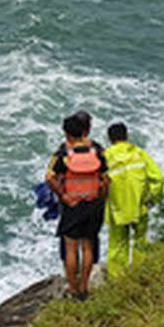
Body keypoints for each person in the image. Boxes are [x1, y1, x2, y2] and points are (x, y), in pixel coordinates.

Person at [45, 113, 108, 300]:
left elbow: (49, 178)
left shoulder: (63, 154)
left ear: (67, 133)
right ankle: (84, 287)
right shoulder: (97, 150)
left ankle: (73, 289)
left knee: (71, 247)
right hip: (93, 203)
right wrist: (101, 199)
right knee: (88, 245)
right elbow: (105, 179)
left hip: (73, 204)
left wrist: (63, 196)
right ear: (84, 131)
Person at [103, 122, 164, 281]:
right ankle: (139, 275)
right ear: (126, 136)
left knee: (117, 245)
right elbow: (158, 178)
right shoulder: (139, 153)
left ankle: (117, 280)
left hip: (117, 209)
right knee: (140, 241)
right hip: (140, 207)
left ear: (110, 139)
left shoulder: (106, 156)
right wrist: (152, 199)